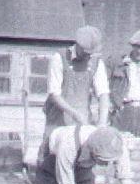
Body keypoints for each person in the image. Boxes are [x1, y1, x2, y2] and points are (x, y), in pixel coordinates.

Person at [37, 25, 110, 167]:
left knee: (79, 155)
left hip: (82, 117)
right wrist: (74, 113)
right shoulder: (59, 58)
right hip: (57, 116)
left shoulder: (96, 63)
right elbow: (54, 94)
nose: (89, 56)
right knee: (51, 155)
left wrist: (101, 122)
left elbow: (103, 94)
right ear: (78, 45)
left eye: (92, 53)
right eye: (86, 52)